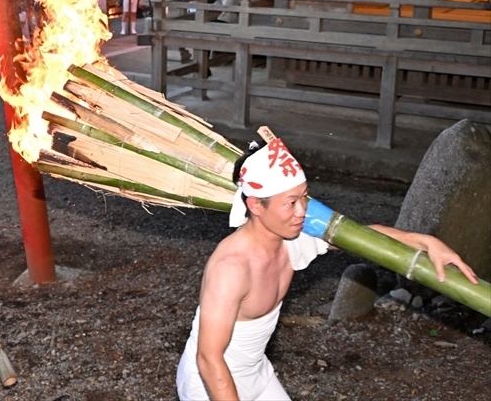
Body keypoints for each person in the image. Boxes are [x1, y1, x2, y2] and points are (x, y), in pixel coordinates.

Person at [176, 136, 478, 401]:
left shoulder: (292, 234)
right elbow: (209, 357)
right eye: (291, 202)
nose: (302, 210)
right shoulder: (232, 267)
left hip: (257, 372)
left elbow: (363, 236)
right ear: (255, 205)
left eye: (304, 196)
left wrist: (425, 242)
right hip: (210, 383)